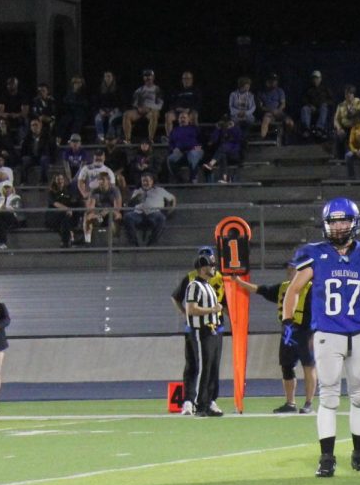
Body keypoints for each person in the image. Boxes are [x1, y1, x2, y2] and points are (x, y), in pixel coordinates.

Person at [282, 199, 360, 477]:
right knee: (329, 396)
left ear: (354, 222)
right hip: (328, 334)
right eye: (333, 221)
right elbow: (294, 289)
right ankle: (327, 458)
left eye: (343, 221)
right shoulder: (316, 254)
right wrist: (289, 320)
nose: (338, 227)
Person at [229, 270, 318, 414]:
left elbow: (321, 312)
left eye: (293, 269)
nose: (290, 271)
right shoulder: (283, 287)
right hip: (288, 332)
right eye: (288, 269)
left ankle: (308, 403)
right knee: (287, 366)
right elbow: (260, 289)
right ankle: (290, 403)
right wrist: (239, 282)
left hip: (306, 331)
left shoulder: (312, 288)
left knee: (309, 366)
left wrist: (315, 334)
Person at [172, 246, 226, 416]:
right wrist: (212, 310)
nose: (213, 267)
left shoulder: (208, 285)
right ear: (203, 268)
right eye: (210, 265)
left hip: (212, 329)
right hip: (200, 330)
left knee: (210, 366)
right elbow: (191, 308)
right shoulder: (193, 285)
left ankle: (207, 401)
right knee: (200, 366)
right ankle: (194, 402)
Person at [124, 172, 176, 246]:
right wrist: (136, 199)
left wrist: (171, 210)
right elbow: (129, 204)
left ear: (152, 181)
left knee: (161, 218)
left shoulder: (159, 190)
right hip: (138, 214)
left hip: (154, 213)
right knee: (128, 216)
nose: (145, 183)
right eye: (143, 181)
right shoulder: (137, 191)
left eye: (147, 181)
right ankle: (134, 244)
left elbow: (173, 198)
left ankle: (152, 242)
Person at [123, 69, 164, 143]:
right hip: (140, 110)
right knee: (126, 114)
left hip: (151, 110)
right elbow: (134, 102)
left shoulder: (157, 89)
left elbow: (160, 103)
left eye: (149, 76)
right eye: (146, 76)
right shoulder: (139, 90)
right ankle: (127, 139)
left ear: (153, 77)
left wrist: (150, 108)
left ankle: (150, 139)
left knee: (154, 114)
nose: (148, 78)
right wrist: (138, 108)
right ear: (143, 78)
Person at [45, 171, 83, 247]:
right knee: (64, 215)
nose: (60, 181)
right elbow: (55, 203)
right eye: (58, 179)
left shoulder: (67, 190)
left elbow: (72, 200)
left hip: (66, 216)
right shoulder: (51, 192)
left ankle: (72, 237)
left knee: (78, 207)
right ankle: (67, 240)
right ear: (54, 181)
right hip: (53, 216)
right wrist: (67, 208)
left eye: (62, 179)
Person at [166, 111, 204, 182]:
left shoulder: (195, 129)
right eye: (181, 118)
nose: (182, 119)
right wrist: (174, 149)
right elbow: (171, 143)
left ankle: (193, 178)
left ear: (188, 119)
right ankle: (179, 179)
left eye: (184, 117)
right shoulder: (174, 130)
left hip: (194, 150)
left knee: (193, 154)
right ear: (178, 120)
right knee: (170, 159)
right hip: (180, 152)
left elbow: (202, 141)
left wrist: (197, 148)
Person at [164, 70, 203, 136]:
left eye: (188, 78)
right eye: (184, 78)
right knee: (168, 115)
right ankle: (170, 137)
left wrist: (189, 109)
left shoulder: (196, 90)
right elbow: (171, 103)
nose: (186, 80)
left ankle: (196, 137)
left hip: (190, 111)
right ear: (182, 80)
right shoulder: (177, 90)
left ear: (192, 80)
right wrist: (176, 108)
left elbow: (199, 103)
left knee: (194, 115)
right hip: (178, 111)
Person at [257, 73, 292, 142]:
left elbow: (283, 104)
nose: (274, 82)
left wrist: (277, 111)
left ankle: (287, 136)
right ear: (268, 81)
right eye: (272, 80)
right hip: (268, 113)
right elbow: (260, 107)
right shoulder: (261, 93)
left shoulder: (280, 91)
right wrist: (271, 110)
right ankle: (262, 138)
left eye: (275, 81)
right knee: (266, 120)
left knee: (290, 122)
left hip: (279, 112)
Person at [300, 71, 331, 139]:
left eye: (317, 78)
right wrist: (310, 105)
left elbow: (331, 100)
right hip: (311, 108)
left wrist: (325, 103)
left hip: (321, 108)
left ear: (320, 79)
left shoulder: (325, 89)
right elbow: (304, 100)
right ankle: (306, 129)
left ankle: (319, 129)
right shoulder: (308, 89)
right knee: (304, 108)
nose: (315, 80)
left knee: (324, 108)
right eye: (314, 78)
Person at [94, 71, 122, 142]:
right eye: (106, 76)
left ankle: (110, 137)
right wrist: (101, 110)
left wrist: (113, 111)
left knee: (111, 119)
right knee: (98, 119)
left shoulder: (118, 89)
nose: (107, 78)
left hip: (115, 110)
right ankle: (101, 137)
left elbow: (121, 102)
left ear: (112, 78)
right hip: (103, 110)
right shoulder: (100, 89)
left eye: (109, 76)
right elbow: (97, 102)